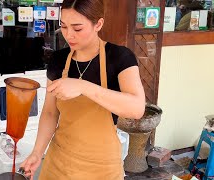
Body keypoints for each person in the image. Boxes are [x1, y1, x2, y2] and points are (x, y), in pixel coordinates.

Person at [20, 0, 145, 179]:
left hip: (102, 167)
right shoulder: (58, 60)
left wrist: (83, 86)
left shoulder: (119, 58)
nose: (69, 35)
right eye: (63, 26)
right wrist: (37, 152)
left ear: (98, 24)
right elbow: (49, 113)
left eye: (77, 28)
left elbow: (136, 108)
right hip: (59, 162)